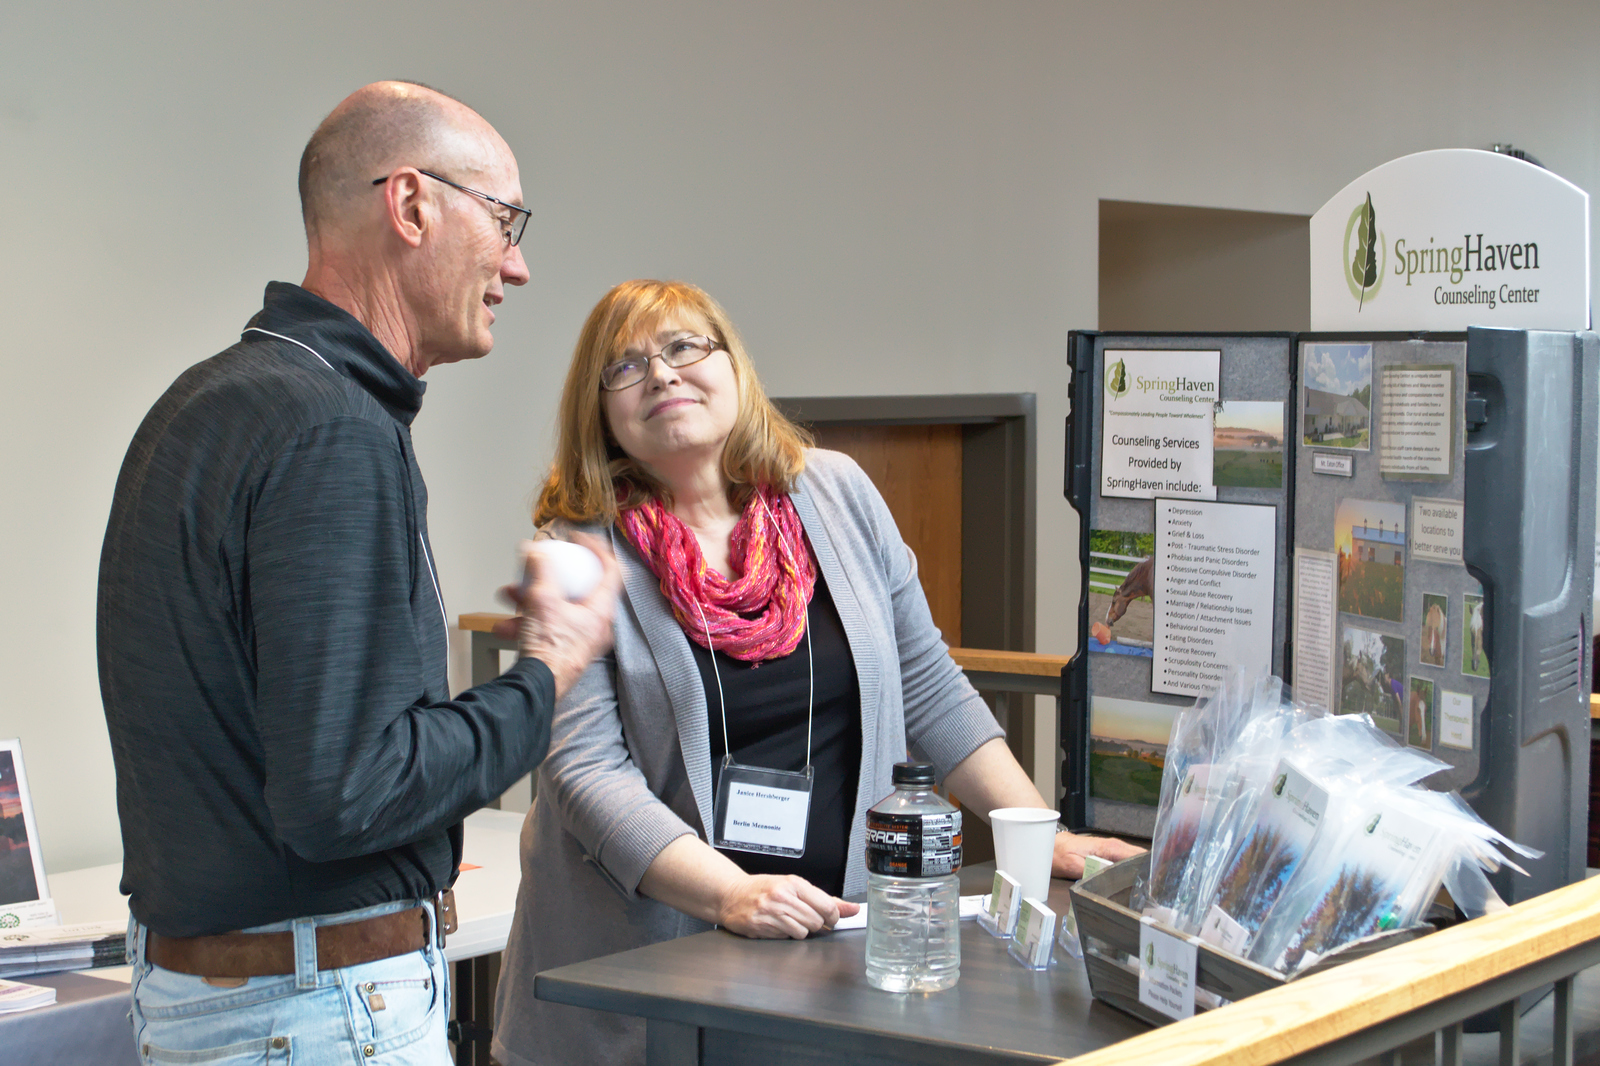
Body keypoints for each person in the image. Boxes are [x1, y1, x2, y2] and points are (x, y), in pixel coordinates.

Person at [97, 82, 620, 1065]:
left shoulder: (205, 405)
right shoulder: (332, 429)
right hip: (313, 1009)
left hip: (232, 999)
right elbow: (350, 793)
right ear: (411, 204)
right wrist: (547, 671)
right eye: (504, 221)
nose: (517, 264)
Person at [490, 279, 1142, 1066]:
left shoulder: (835, 493)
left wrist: (1039, 838)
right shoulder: (578, 552)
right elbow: (587, 774)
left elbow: (928, 685)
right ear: (599, 411)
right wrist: (731, 893)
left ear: (734, 366)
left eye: (684, 347)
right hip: (649, 979)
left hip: (832, 954)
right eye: (624, 368)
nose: (661, 374)